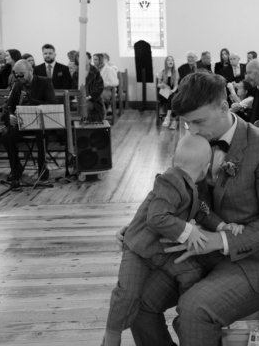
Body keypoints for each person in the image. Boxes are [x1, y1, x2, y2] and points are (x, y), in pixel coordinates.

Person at [123, 71, 259, 346]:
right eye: (187, 123)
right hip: (198, 248)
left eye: (199, 121)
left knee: (194, 311)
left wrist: (219, 240)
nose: (193, 131)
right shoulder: (194, 140)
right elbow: (173, 191)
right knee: (135, 298)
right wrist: (138, 225)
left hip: (253, 260)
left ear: (224, 107)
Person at [102, 134, 244, 346]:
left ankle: (187, 319)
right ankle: (112, 335)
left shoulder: (191, 185)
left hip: (163, 249)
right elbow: (156, 217)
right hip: (139, 249)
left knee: (191, 274)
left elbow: (202, 211)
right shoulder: (170, 180)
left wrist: (222, 226)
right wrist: (189, 230)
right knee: (128, 292)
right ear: (205, 168)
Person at [0, 59, 56, 183]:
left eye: (21, 74)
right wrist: (9, 116)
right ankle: (16, 168)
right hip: (22, 122)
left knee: (41, 135)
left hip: (40, 121)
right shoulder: (17, 84)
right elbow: (8, 105)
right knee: (6, 136)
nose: (18, 77)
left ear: (31, 71)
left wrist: (31, 100)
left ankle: (42, 169)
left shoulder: (44, 82)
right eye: (16, 74)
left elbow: (51, 103)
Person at [73, 52, 104, 122]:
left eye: (84, 59)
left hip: (93, 100)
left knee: (85, 106)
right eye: (79, 59)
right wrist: (76, 96)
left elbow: (99, 88)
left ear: (89, 60)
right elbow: (74, 88)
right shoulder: (76, 73)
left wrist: (88, 97)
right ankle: (71, 128)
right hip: (79, 99)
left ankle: (85, 126)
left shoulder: (95, 72)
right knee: (67, 106)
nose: (81, 61)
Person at [157, 56, 179, 129]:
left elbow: (176, 85)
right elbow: (158, 84)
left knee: (172, 97)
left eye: (172, 60)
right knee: (172, 97)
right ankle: (173, 121)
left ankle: (168, 118)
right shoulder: (162, 72)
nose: (170, 61)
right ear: (166, 63)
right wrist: (162, 85)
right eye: (168, 60)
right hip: (163, 93)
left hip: (172, 92)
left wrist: (172, 91)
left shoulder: (175, 72)